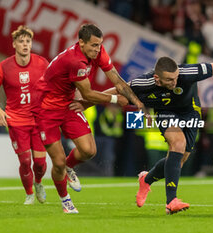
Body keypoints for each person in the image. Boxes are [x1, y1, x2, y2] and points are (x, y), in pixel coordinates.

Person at [74, 56, 213, 214]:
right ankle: (171, 201)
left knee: (179, 160)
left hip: (190, 111)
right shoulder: (143, 83)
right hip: (165, 111)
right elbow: (117, 90)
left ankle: (146, 179)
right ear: (157, 79)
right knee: (177, 144)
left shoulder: (187, 73)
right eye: (170, 80)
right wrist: (85, 103)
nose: (175, 82)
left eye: (176, 78)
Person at [36, 23, 145, 213]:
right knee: (58, 161)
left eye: (99, 45)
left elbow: (117, 80)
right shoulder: (74, 61)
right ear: (81, 43)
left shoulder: (99, 52)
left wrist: (136, 101)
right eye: (93, 45)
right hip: (46, 109)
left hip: (68, 104)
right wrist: (114, 99)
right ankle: (66, 201)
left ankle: (69, 169)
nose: (97, 49)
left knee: (88, 151)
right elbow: (87, 94)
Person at [0, 25, 48, 205]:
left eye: (28, 41)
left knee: (39, 163)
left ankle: (38, 183)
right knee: (25, 161)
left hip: (39, 120)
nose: (25, 45)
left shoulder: (42, 63)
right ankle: (29, 193)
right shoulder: (3, 67)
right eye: (21, 41)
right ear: (14, 44)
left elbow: (53, 84)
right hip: (16, 120)